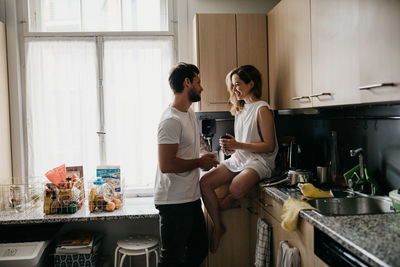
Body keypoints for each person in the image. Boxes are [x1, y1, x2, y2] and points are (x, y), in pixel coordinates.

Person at [200, 65, 278, 253]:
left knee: (235, 186)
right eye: (232, 85)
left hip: (260, 162)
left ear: (251, 84)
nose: (234, 89)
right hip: (240, 159)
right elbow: (243, 143)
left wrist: (237, 145)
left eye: (237, 84)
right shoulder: (240, 109)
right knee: (204, 182)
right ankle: (218, 226)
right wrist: (231, 148)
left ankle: (225, 202)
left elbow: (269, 146)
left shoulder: (262, 109)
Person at [154, 62, 219, 267]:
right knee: (171, 259)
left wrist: (204, 153)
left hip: (190, 197)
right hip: (173, 201)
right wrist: (200, 162)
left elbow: (196, 140)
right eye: (198, 82)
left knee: (199, 249)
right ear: (187, 82)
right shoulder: (170, 120)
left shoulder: (189, 112)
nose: (202, 87)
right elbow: (167, 164)